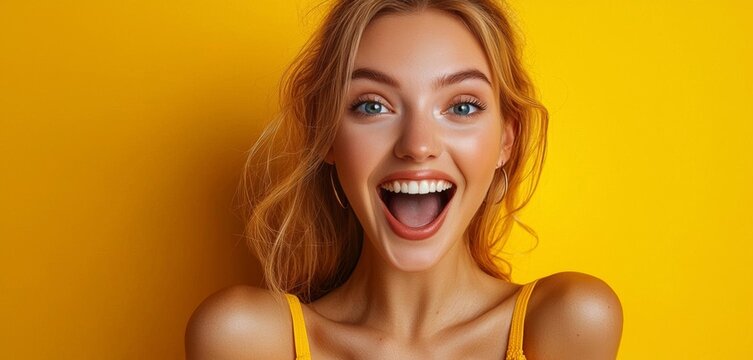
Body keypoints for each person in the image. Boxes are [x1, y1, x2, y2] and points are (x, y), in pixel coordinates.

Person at [186, 0, 623, 358]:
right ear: (327, 136)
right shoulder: (245, 339)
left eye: (462, 106)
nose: (417, 146)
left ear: (505, 141)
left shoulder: (567, 323)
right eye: (373, 105)